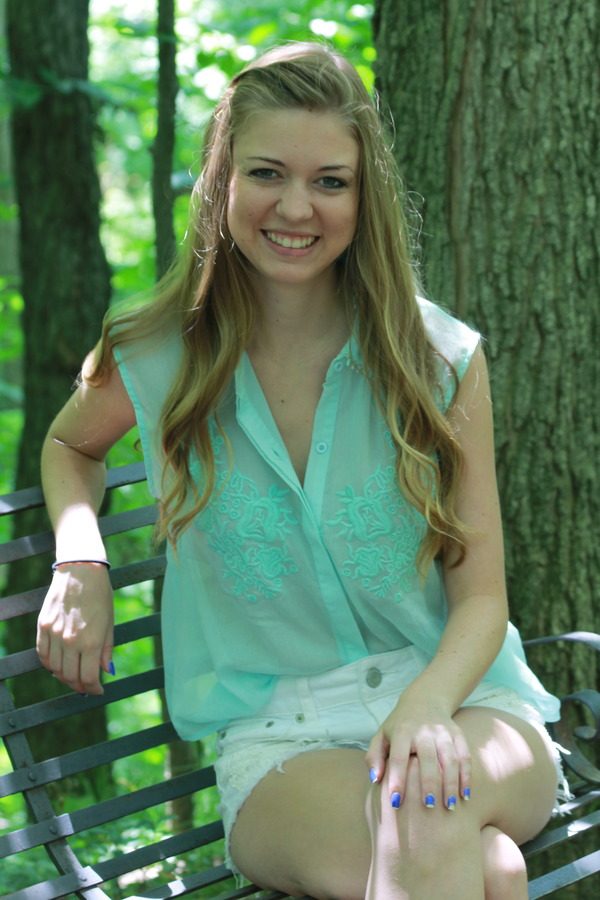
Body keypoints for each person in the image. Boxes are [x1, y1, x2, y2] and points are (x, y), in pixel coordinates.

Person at [37, 41, 567, 900]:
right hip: (281, 740)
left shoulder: (436, 358)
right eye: (268, 173)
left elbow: (482, 598)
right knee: (488, 871)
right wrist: (79, 557)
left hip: (462, 706)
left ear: (365, 198)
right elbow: (69, 445)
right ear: (223, 182)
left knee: (424, 803)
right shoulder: (152, 348)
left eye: (331, 181)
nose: (296, 206)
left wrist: (426, 708)